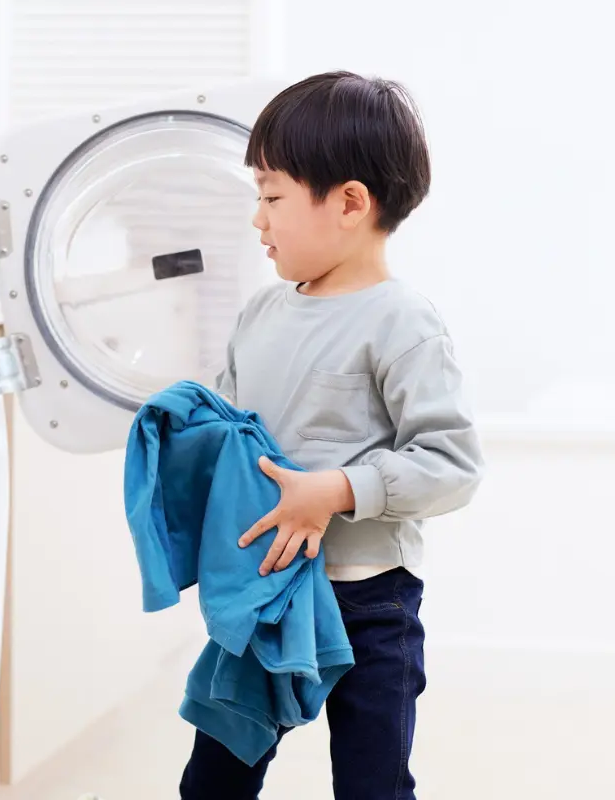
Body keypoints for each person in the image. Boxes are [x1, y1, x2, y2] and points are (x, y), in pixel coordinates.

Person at [179, 71, 486, 799]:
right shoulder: (260, 315)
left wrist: (339, 489)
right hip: (267, 598)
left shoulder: (402, 322)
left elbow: (452, 463)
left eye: (272, 196)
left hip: (369, 603)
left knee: (373, 784)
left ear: (350, 202)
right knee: (214, 779)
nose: (258, 218)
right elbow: (229, 435)